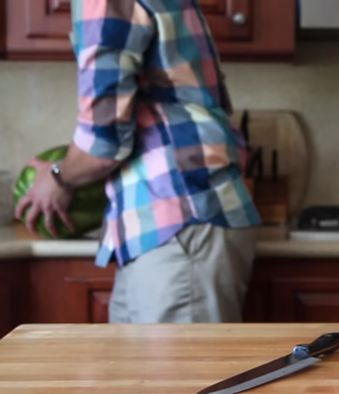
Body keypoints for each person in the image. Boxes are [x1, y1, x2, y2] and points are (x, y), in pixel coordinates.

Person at [14, 0, 260, 323]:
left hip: (179, 219)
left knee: (182, 375)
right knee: (141, 371)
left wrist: (58, 177)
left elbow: (102, 145)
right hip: (172, 224)